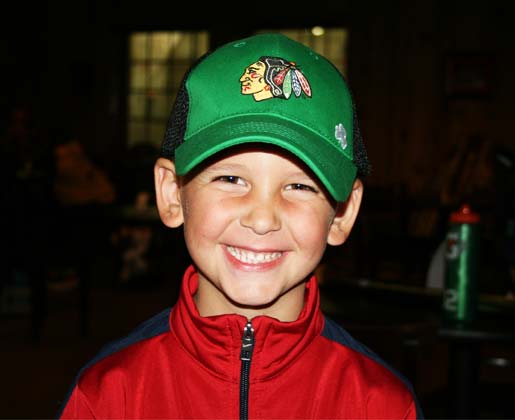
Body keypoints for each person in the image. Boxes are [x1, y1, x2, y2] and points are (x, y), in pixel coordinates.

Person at [57, 33, 424, 419]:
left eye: (299, 186)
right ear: (171, 193)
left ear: (343, 213)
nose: (262, 219)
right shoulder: (107, 395)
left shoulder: (381, 405)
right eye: (230, 179)